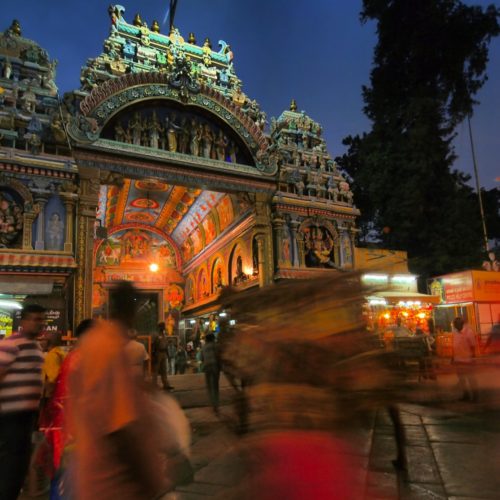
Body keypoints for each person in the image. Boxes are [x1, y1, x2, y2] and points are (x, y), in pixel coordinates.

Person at [68, 281, 170, 499]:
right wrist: (148, 480)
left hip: (91, 473)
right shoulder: (109, 347)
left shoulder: (92, 342)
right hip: (115, 482)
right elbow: (122, 429)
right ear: (131, 311)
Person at [0, 303, 46, 500]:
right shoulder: (11, 344)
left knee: (18, 464)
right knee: (13, 465)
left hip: (26, 415)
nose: (39, 324)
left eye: (42, 320)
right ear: (24, 321)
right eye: (35, 319)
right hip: (11, 415)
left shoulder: (35, 345)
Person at [452, 317, 478, 402]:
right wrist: (453, 358)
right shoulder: (455, 333)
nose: (455, 326)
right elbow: (454, 346)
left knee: (471, 379)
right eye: (455, 324)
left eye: (457, 324)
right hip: (458, 360)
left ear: (461, 324)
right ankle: (465, 395)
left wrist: (473, 358)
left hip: (467, 360)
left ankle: (475, 396)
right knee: (462, 379)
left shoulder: (469, 332)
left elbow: (473, 346)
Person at [201, 333, 220, 415]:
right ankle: (216, 405)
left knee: (209, 386)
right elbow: (218, 355)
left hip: (207, 366)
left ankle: (213, 403)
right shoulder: (215, 345)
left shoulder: (204, 347)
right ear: (213, 339)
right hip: (215, 366)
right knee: (215, 386)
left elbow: (202, 358)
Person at [153, 322, 174, 391]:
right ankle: (154, 385)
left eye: (164, 326)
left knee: (164, 370)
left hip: (164, 353)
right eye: (163, 326)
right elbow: (153, 345)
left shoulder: (164, 334)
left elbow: (166, 345)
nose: (164, 327)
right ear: (159, 327)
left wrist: (167, 354)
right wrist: (154, 354)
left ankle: (166, 384)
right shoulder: (156, 335)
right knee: (156, 370)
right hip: (158, 353)